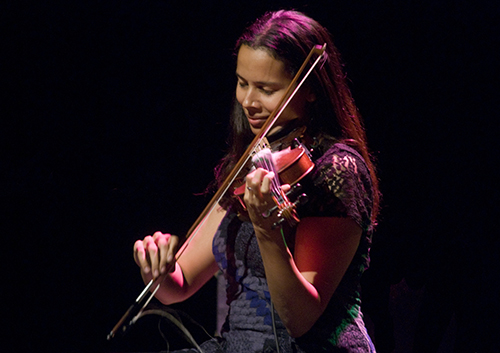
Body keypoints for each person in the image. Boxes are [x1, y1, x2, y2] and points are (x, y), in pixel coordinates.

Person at [133, 9, 380, 353]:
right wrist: (157, 271)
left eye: (266, 88)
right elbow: (182, 283)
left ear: (310, 90)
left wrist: (268, 232)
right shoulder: (252, 161)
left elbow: (300, 318)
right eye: (243, 82)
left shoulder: (336, 168)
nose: (248, 101)